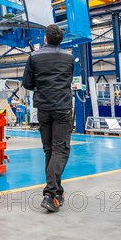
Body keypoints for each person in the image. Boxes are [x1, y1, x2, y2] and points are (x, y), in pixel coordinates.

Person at [22, 24, 74, 213]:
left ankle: (56, 192)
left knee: (49, 151)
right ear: (61, 40)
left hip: (43, 108)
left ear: (45, 38)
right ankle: (51, 193)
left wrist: (41, 82)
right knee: (60, 150)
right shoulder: (69, 57)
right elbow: (68, 80)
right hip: (62, 108)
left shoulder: (34, 56)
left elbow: (27, 83)